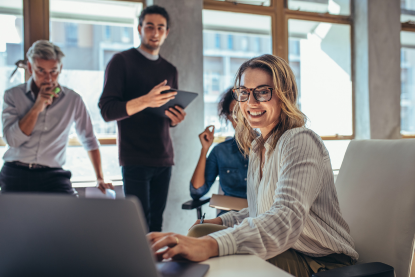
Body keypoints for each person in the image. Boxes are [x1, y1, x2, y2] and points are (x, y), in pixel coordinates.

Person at [147, 54, 359, 277]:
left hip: (321, 261)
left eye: (263, 91)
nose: (251, 102)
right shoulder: (259, 147)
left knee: (215, 251)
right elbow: (261, 211)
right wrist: (221, 220)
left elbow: (284, 218)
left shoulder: (300, 140)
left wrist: (210, 244)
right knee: (201, 229)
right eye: (244, 92)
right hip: (289, 249)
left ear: (285, 95)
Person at [99, 5, 186, 232]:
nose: (155, 32)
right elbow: (107, 110)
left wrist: (175, 118)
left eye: (160, 28)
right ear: (139, 28)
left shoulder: (170, 69)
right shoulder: (121, 61)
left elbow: (166, 116)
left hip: (164, 157)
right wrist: (146, 100)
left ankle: (156, 269)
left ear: (167, 32)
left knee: (156, 225)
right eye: (149, 26)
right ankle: (138, 268)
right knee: (138, 226)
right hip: (134, 157)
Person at [0, 40, 113, 195]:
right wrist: (36, 108)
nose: (48, 79)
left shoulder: (73, 99)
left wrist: (100, 178)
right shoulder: (12, 95)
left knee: (70, 215)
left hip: (53, 174)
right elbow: (12, 140)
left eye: (53, 71)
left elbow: (89, 139)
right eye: (41, 71)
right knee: (15, 219)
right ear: (31, 67)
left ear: (61, 68)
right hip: (16, 171)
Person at [190, 88, 248, 216]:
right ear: (228, 118)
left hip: (260, 219)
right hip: (227, 219)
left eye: (242, 113)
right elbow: (197, 191)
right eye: (233, 114)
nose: (238, 119)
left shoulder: (269, 148)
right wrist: (204, 149)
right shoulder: (220, 151)